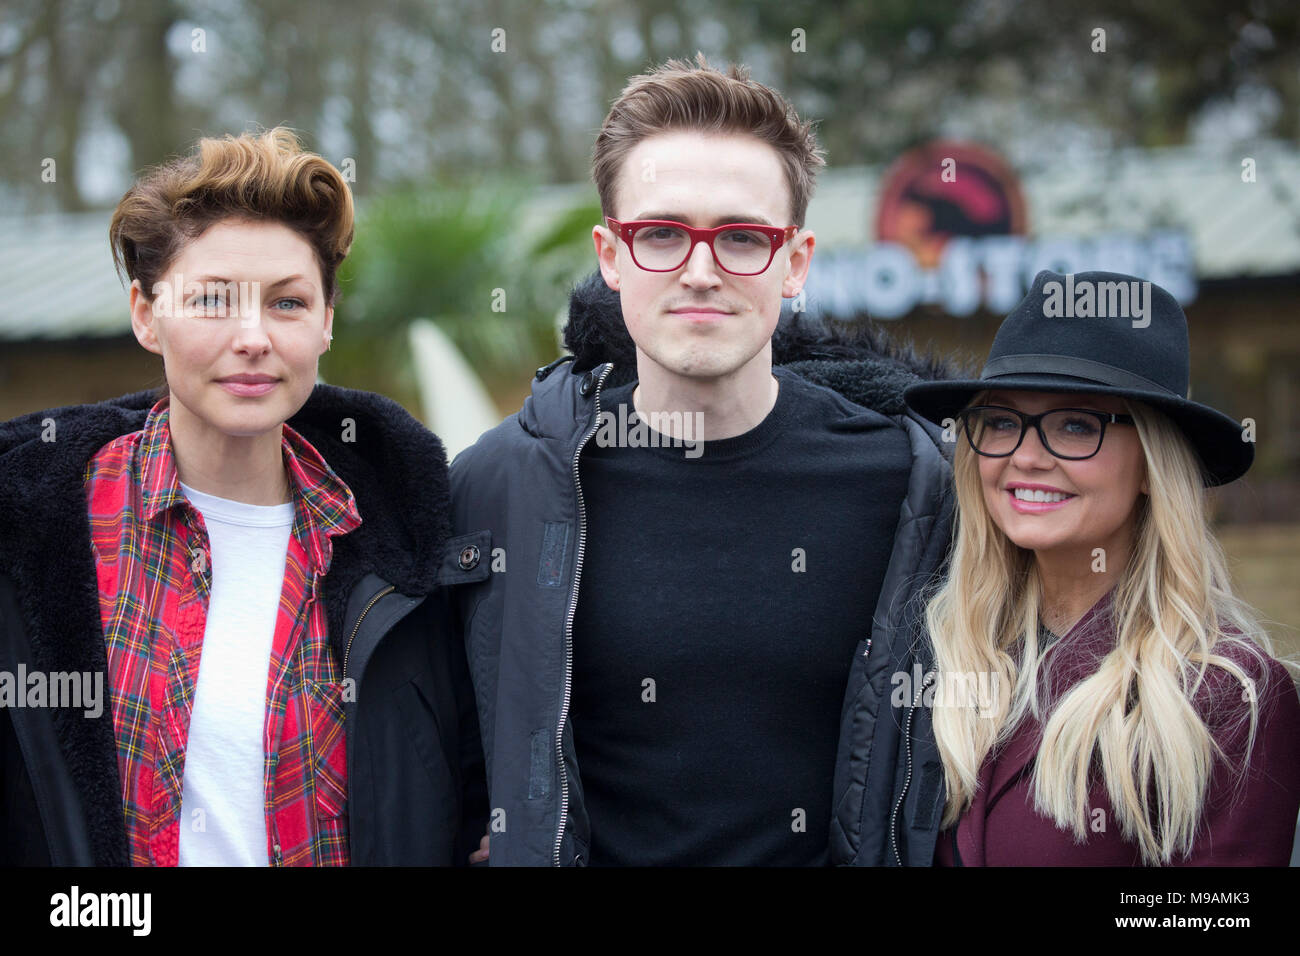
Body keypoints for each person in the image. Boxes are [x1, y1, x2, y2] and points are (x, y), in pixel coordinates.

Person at [449, 55, 956, 866]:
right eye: (660, 233)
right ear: (610, 256)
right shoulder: (501, 485)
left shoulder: (915, 487)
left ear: (795, 262)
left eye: (742, 237)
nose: (699, 271)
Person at [0, 127, 487, 866]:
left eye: (288, 304)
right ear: (145, 314)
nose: (253, 336)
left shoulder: (409, 543)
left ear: (326, 321)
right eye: (213, 300)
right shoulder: (40, 525)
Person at [903, 269, 1300, 865]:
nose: (1026, 457)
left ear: (1150, 467)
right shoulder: (931, 648)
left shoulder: (1229, 695)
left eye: (1075, 425)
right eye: (1003, 421)